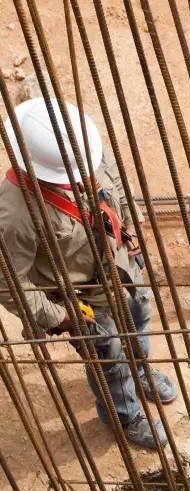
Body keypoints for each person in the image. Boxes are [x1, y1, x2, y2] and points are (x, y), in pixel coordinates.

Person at [0, 97, 177, 450]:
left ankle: (140, 371)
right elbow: (9, 284)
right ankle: (124, 416)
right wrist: (60, 317)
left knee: (139, 316)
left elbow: (118, 185)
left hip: (122, 266)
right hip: (83, 297)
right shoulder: (15, 213)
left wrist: (130, 224)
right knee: (108, 355)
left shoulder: (83, 145)